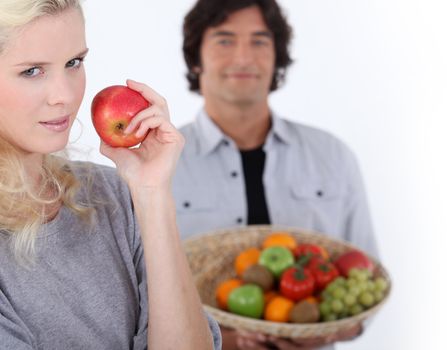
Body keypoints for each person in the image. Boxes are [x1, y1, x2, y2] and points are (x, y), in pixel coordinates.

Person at [0, 0, 221, 349]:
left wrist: (152, 194)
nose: (66, 96)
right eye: (32, 71)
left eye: (74, 63)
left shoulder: (113, 192)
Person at [172, 0, 379, 349]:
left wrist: (324, 331)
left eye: (259, 41)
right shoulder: (161, 163)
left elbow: (368, 277)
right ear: (196, 58)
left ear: (277, 56)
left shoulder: (332, 156)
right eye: (224, 40)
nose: (243, 57)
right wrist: (221, 340)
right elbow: (137, 291)